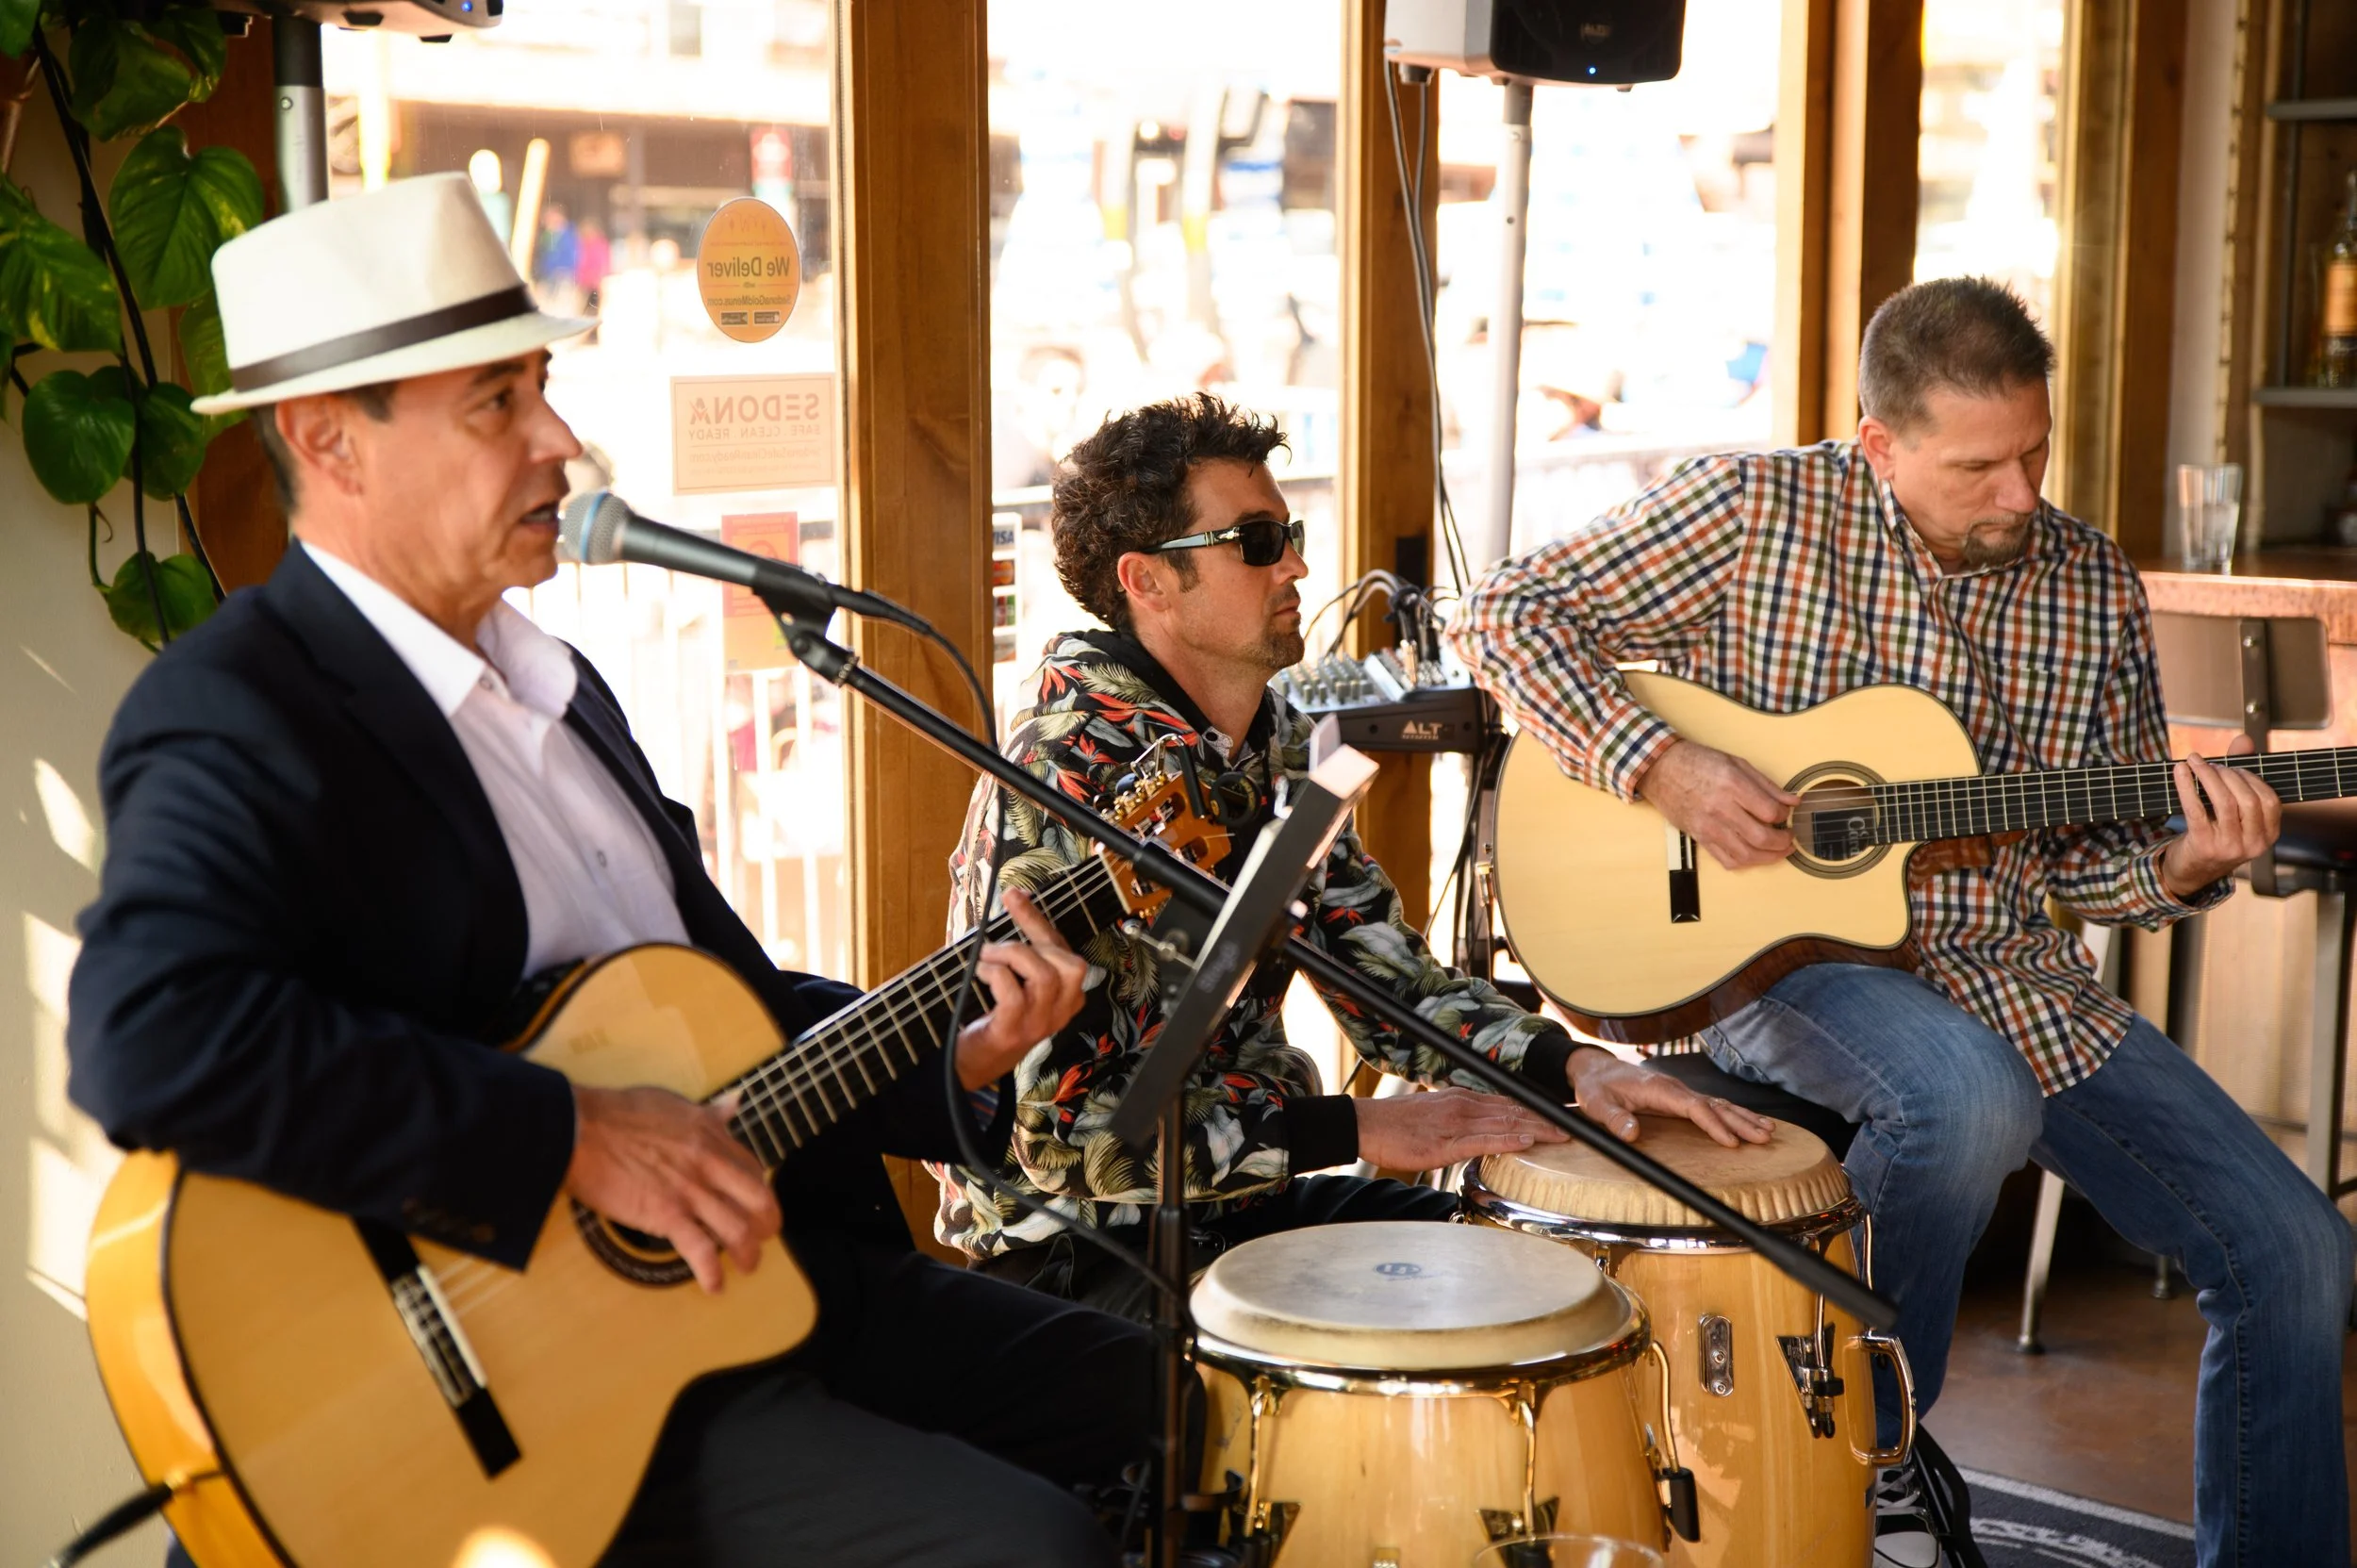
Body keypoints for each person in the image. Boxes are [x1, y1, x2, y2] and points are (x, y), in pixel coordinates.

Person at [65, 173, 1152, 1568]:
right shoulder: (246, 705)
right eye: (497, 403)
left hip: (755, 1275)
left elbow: (713, 1024)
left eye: (542, 389)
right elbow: (151, 1038)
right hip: (514, 1393)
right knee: (1028, 1547)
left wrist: (958, 1046)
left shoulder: (562, 689)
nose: (559, 439)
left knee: (1166, 1398)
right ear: (327, 439)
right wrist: (569, 1134)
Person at [1451, 276, 2353, 1568]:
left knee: (2300, 1251)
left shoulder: (2086, 580)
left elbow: (2090, 857)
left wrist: (2183, 860)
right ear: (1879, 444)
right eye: (1980, 464)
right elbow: (1501, 611)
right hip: (1768, 957)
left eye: (2036, 450)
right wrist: (1663, 766)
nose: (2022, 493)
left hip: (2011, 971)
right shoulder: (1755, 510)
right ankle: (1872, 1456)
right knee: (1968, 1097)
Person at [935, 391, 1773, 1319]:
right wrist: (1359, 1125)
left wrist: (1572, 1068)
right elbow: (1065, 1139)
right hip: (1077, 1254)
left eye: (1287, 533)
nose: (1295, 563)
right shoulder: (1061, 775)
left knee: (1566, 1278)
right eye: (1255, 544)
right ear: (1148, 583)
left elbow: (1382, 974)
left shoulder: (1280, 730)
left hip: (1245, 1200)